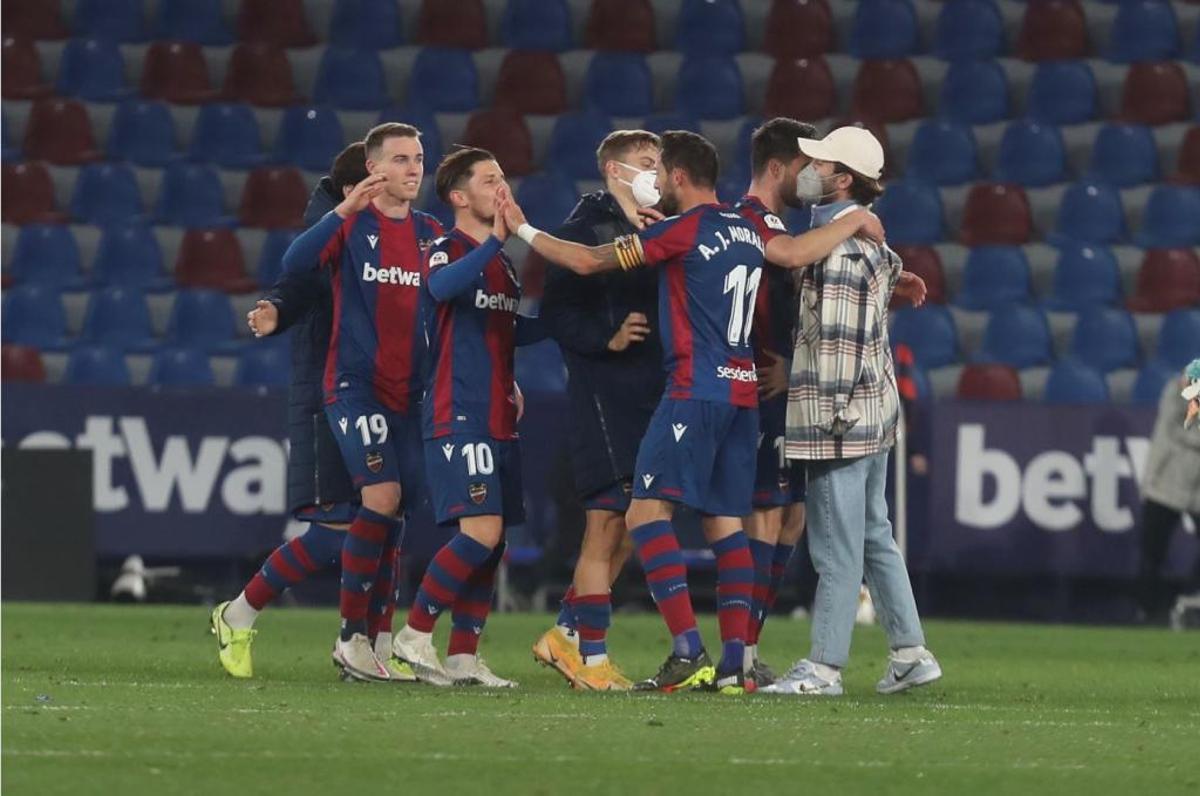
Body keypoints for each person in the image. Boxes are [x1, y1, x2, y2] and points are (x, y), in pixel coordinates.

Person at [501, 130, 887, 693]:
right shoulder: (747, 226)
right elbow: (797, 252)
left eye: (661, 172)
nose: (655, 181)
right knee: (725, 523)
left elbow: (586, 262)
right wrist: (854, 221)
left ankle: (687, 650)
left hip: (691, 391)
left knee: (643, 516)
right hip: (742, 397)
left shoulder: (682, 231)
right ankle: (737, 663)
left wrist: (521, 228)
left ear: (679, 178)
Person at [210, 143, 412, 682]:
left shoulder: (396, 235)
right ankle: (238, 613)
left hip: (385, 394)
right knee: (333, 530)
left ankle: (374, 646)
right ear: (355, 189)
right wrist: (276, 308)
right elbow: (297, 282)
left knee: (389, 522)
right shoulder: (337, 233)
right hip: (327, 395)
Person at [765, 126, 939, 697]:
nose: (807, 170)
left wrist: (831, 417)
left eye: (820, 163)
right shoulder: (859, 242)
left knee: (836, 544)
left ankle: (824, 667)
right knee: (872, 535)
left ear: (842, 179)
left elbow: (837, 341)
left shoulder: (836, 249)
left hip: (838, 415)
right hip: (872, 411)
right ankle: (910, 651)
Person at [275, 123, 443, 682]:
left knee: (397, 512)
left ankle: (374, 640)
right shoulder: (353, 227)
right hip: (354, 386)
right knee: (382, 493)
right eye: (400, 159)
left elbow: (448, 309)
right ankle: (350, 637)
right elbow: (296, 266)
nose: (413, 168)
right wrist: (343, 210)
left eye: (418, 158)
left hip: (409, 394)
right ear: (375, 169)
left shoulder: (430, 232)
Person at [389, 147, 541, 688]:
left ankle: (462, 657)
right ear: (458, 196)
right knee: (480, 531)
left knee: (494, 540)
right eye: (489, 179)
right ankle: (414, 634)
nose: (502, 186)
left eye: (504, 177)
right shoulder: (444, 249)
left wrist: (584, 329)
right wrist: (500, 237)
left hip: (499, 415)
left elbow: (508, 330)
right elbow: (440, 289)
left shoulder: (500, 265)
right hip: (458, 412)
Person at [531, 130, 665, 691]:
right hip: (605, 393)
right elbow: (554, 314)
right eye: (644, 162)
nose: (655, 170)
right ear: (614, 169)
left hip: (645, 392)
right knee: (605, 524)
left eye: (658, 161)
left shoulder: (653, 225)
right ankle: (592, 660)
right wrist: (604, 337)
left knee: (636, 524)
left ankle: (565, 632)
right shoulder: (582, 232)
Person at [1136, 360, 1200, 623]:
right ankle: (1148, 611)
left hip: (1196, 489)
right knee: (1153, 551)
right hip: (1166, 482)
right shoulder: (1179, 386)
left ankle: (1190, 600)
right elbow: (1175, 426)